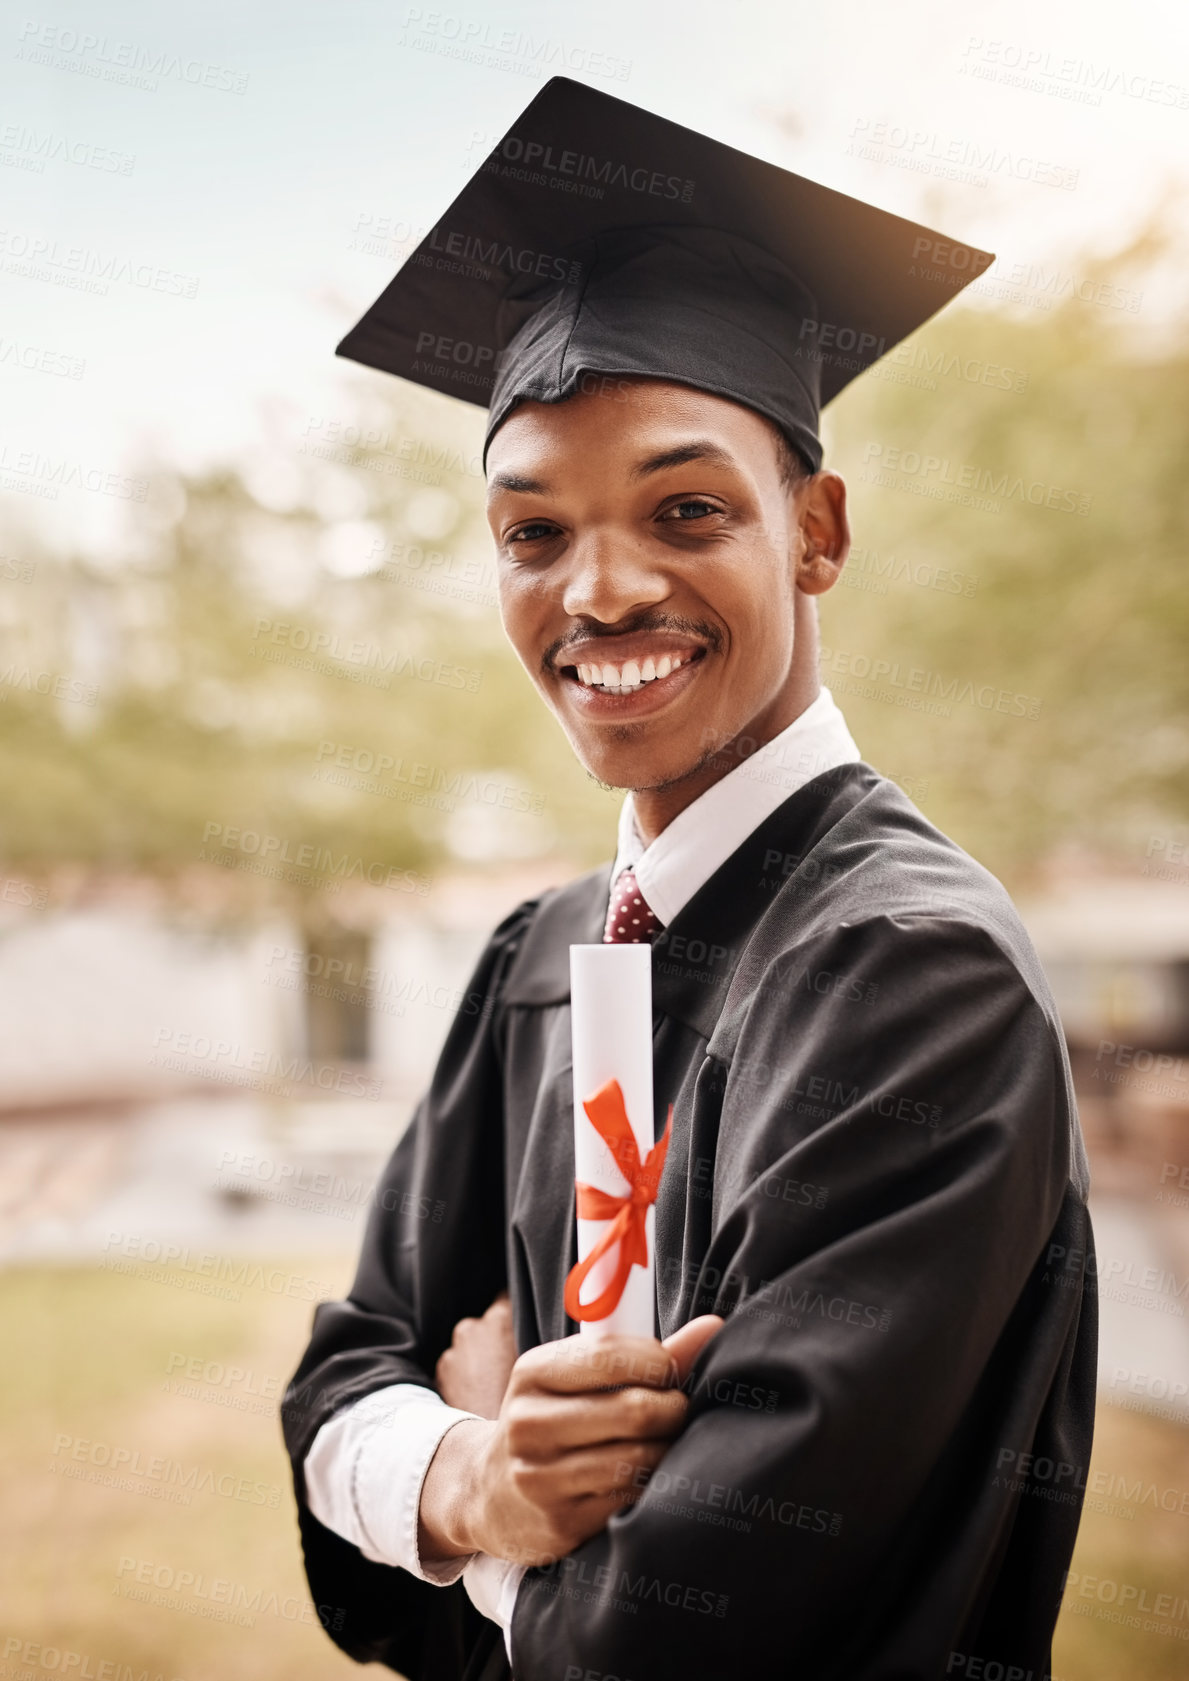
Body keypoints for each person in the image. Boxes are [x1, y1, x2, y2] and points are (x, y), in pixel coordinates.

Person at [282, 76, 1097, 1681]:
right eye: (531, 534)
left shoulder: (907, 973)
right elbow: (339, 1377)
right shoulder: (547, 947)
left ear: (815, 529)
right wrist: (463, 1472)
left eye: (685, 509)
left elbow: (672, 1642)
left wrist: (494, 1528)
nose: (599, 589)